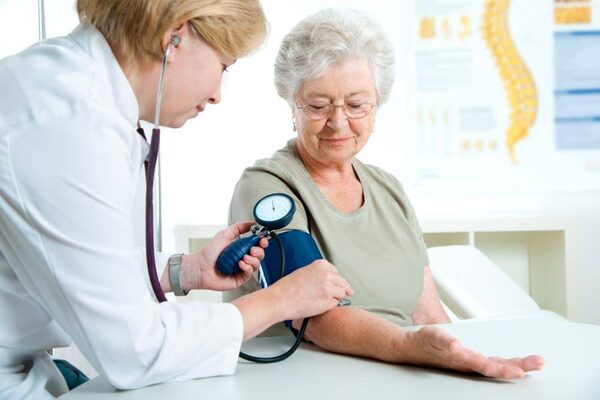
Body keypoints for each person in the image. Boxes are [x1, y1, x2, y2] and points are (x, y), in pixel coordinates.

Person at [0, 1, 352, 398]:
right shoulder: (68, 123)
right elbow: (135, 351)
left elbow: (76, 259)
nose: (217, 95)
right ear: (175, 37)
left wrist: (185, 270)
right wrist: (279, 302)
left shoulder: (66, 85)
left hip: (38, 369)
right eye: (224, 65)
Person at [226, 9, 544, 380]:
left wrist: (467, 361)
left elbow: (427, 314)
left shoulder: (388, 190)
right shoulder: (267, 187)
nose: (338, 122)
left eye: (356, 105)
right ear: (292, 103)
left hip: (403, 376)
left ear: (377, 104)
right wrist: (409, 348)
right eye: (318, 105)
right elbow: (310, 315)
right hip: (306, 382)